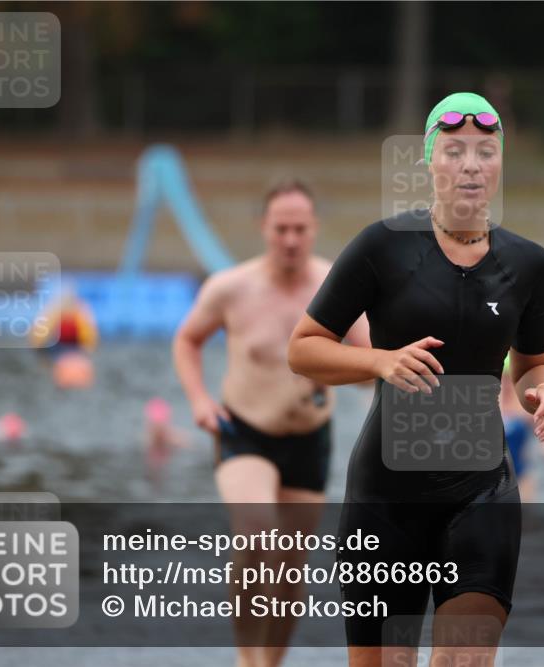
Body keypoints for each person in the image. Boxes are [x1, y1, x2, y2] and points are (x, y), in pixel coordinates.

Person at [288, 92, 544, 667]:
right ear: (429, 160)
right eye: (455, 151)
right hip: (386, 497)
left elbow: (534, 363)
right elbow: (303, 349)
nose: (471, 166)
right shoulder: (383, 246)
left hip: (482, 490)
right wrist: (379, 362)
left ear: (500, 163)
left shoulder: (529, 265)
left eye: (486, 152)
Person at [172, 180, 370, 667]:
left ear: (314, 228)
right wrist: (199, 400)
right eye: (281, 228)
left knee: (290, 568)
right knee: (257, 533)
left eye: (300, 229)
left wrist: (340, 369)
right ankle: (246, 657)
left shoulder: (336, 287)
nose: (290, 239)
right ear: (264, 227)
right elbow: (187, 340)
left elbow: (371, 362)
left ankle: (270, 663)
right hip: (244, 431)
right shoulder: (230, 287)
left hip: (309, 437)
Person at [499, 355, 537, 502]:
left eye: (511, 379)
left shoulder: (525, 406)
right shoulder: (486, 403)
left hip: (520, 475)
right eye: (503, 378)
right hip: (490, 479)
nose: (507, 383)